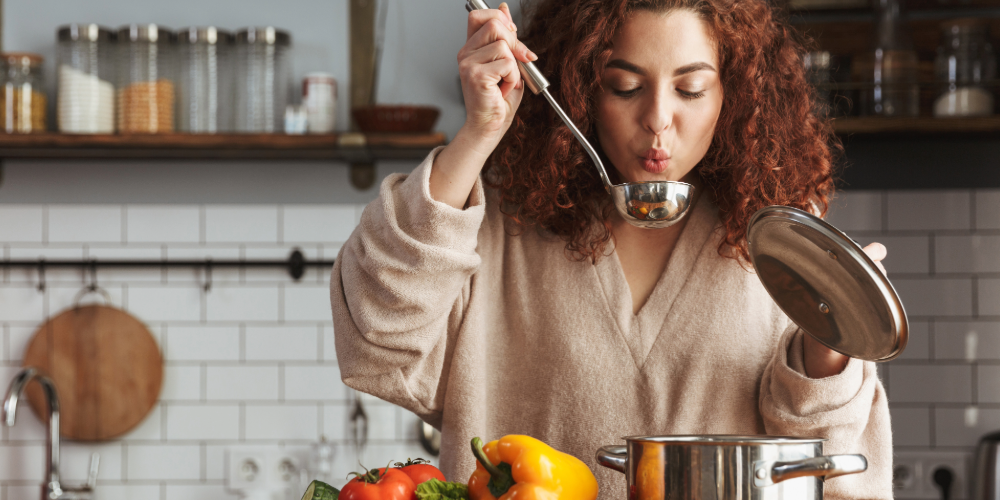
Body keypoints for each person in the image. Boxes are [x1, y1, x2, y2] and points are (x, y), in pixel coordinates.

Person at [331, 0, 892, 498]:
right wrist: (478, 134)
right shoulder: (500, 222)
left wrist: (829, 351)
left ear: (735, 92)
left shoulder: (779, 239)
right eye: (624, 86)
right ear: (579, 85)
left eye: (691, 89)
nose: (657, 120)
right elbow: (377, 343)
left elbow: (831, 471)